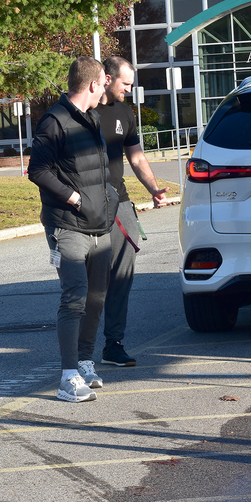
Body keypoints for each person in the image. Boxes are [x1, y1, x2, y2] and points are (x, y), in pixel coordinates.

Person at [28, 57, 118, 402]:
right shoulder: (54, 121)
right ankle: (67, 378)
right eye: (104, 81)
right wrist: (75, 198)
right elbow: (38, 170)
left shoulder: (91, 117)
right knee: (75, 297)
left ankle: (83, 362)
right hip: (67, 225)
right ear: (93, 84)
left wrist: (107, 200)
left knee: (96, 298)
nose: (106, 87)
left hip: (99, 225)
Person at [95, 56, 169, 367]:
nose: (129, 89)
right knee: (90, 280)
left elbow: (136, 157)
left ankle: (114, 343)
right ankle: (79, 350)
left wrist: (154, 189)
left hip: (120, 203)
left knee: (122, 276)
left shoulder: (125, 113)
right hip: (88, 205)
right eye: (125, 83)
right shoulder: (83, 111)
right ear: (107, 79)